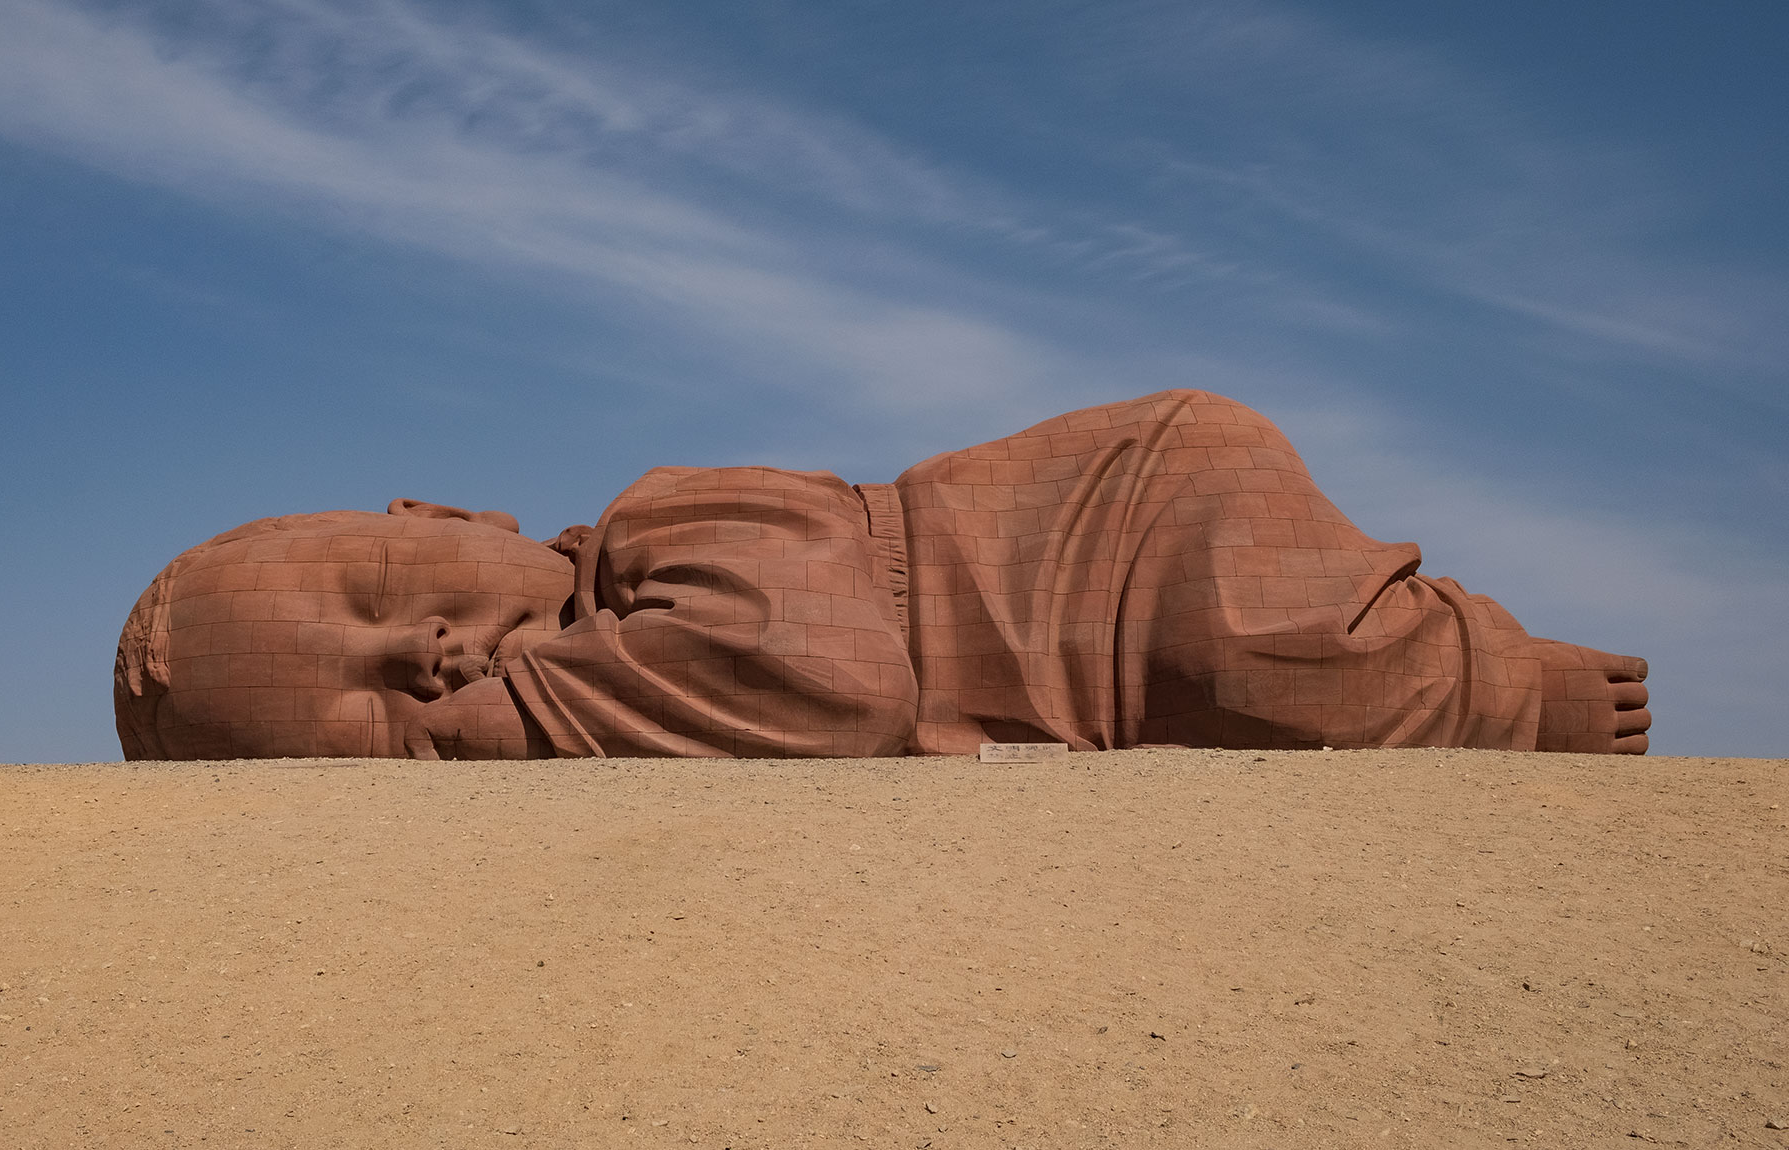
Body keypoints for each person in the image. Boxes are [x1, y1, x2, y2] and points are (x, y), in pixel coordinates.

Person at [114, 390, 1650, 761]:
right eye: (377, 714)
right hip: (1081, 670)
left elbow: (827, 676)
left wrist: (499, 735)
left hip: (1116, 543)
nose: (435, 657)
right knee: (1280, 700)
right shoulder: (620, 674)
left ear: (439, 504)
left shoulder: (673, 519)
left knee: (1287, 663)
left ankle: (1512, 682)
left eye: (387, 597)